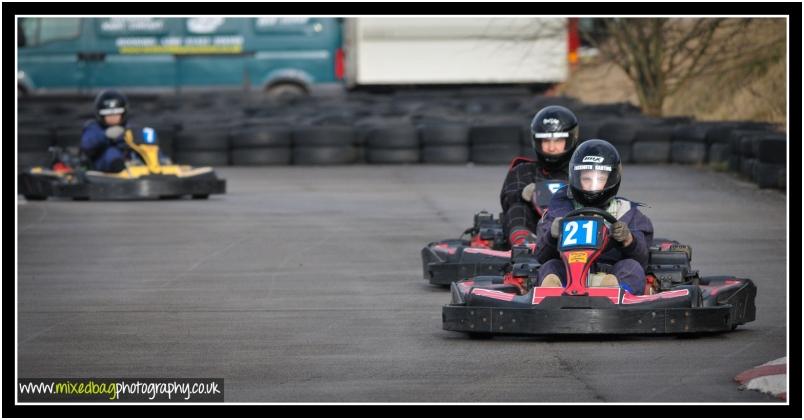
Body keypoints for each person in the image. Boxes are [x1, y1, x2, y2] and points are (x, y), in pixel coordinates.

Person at [534, 139, 654, 294]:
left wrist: (628, 239)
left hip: (611, 273)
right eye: (586, 179)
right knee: (549, 267)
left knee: (633, 268)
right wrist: (552, 235)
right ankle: (550, 295)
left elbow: (643, 259)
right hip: (568, 274)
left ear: (612, 179)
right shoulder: (559, 209)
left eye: (600, 179)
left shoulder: (628, 213)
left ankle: (616, 292)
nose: (592, 186)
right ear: (575, 177)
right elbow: (540, 256)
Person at [500, 105, 580, 246]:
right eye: (546, 141)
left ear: (570, 140)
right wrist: (523, 193)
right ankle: (523, 245)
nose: (551, 147)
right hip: (533, 231)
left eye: (558, 141)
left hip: (573, 226)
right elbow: (508, 199)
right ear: (537, 141)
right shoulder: (523, 170)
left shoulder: (580, 172)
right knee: (518, 207)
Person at [80, 90, 133, 172]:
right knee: (112, 152)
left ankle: (157, 167)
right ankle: (120, 169)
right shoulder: (94, 128)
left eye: (116, 113)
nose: (113, 117)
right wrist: (105, 135)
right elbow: (86, 144)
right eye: (108, 114)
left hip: (130, 162)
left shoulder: (129, 128)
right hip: (103, 164)